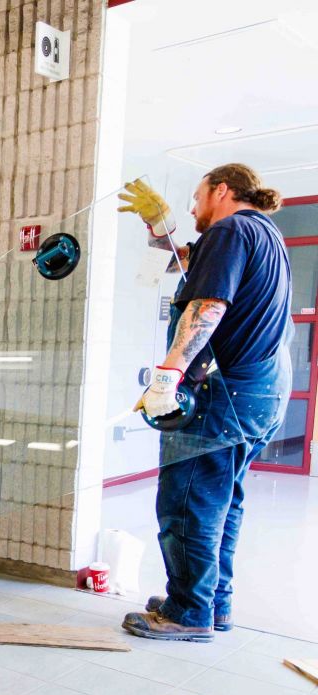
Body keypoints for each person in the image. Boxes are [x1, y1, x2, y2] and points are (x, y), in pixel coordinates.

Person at [119, 164, 291, 641]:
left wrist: (168, 375)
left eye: (196, 198)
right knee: (221, 502)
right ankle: (210, 603)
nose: (193, 208)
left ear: (222, 190)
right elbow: (184, 262)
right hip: (260, 395)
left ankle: (187, 612)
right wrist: (160, 229)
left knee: (187, 502)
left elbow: (208, 305)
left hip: (224, 397)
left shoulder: (230, 230)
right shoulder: (263, 235)